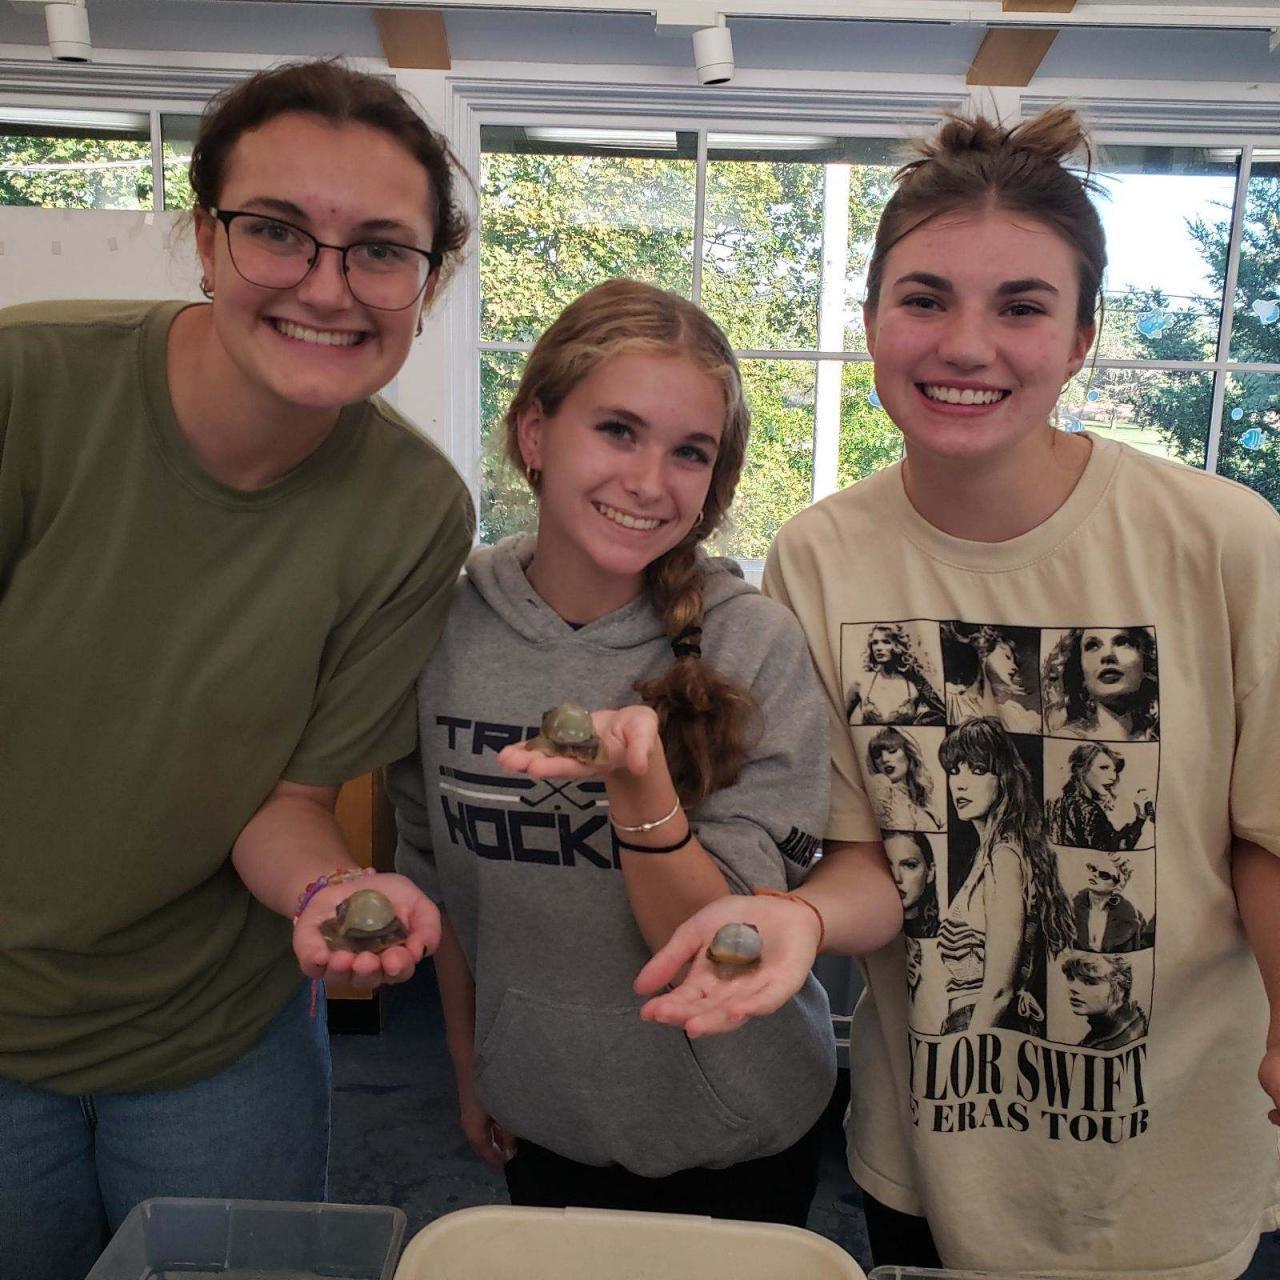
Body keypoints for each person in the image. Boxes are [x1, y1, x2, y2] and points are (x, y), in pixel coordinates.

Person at [635, 106, 1280, 1279]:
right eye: (924, 299)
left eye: (1020, 307)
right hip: (932, 1152)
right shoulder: (822, 553)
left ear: (1080, 339)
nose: (964, 344)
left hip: (1172, 1152)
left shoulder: (1222, 539)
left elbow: (1260, 834)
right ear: (872, 320)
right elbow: (872, 853)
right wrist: (802, 917)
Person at [0, 61, 475, 1280]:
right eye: (276, 230)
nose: (326, 284)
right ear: (206, 239)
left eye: (381, 250)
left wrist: (329, 893)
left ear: (427, 283)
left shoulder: (413, 510)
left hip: (216, 1031)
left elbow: (291, 801)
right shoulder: (28, 385)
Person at [388, 279, 836, 1226]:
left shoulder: (754, 645)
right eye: (618, 431)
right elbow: (446, 887)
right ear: (535, 433)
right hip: (541, 1111)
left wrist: (643, 791)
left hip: (737, 1123)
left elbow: (723, 946)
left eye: (689, 452)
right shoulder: (442, 629)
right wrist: (473, 1067)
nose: (648, 481)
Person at [936, 717, 1073, 1037]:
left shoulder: (1004, 856)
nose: (960, 784)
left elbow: (999, 990)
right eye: (954, 770)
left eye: (977, 770)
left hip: (980, 1028)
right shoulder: (989, 853)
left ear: (1004, 779)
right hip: (971, 1023)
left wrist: (967, 1050)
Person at [1043, 626, 1160, 741]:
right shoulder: (1063, 740)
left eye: (1123, 643)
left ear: (1146, 662)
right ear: (1080, 674)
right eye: (1092, 646)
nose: (1107, 655)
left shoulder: (1162, 734)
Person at [1047, 741, 1154, 851]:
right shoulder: (1090, 810)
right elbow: (1119, 847)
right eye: (1104, 768)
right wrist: (1140, 818)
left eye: (1114, 770)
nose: (1113, 777)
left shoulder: (1055, 802)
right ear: (1082, 770)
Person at [943, 622, 1040, 732]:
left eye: (1014, 662)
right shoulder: (952, 698)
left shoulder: (1014, 712)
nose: (1014, 667)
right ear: (985, 654)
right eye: (1007, 657)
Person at [847, 621, 945, 725]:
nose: (878, 648)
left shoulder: (916, 682)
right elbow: (839, 720)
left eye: (886, 642)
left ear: (898, 646)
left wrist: (919, 723)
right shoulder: (860, 683)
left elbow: (942, 714)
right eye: (875, 643)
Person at [1062, 952, 1148, 1050]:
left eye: (1089, 981)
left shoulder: (1122, 1039)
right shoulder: (1130, 1024)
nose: (1073, 988)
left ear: (1120, 987)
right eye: (1070, 977)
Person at [866, 726, 944, 831]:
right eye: (877, 755)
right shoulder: (881, 795)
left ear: (908, 754)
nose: (884, 759)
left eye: (892, 751)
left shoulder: (926, 804)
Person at [1070, 852, 1148, 953]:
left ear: (1118, 884)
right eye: (1093, 868)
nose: (1095, 875)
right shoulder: (1067, 907)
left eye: (1104, 875)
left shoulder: (1131, 917)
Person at [885, 830, 939, 939]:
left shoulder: (946, 934)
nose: (897, 878)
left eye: (909, 865)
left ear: (930, 872)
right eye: (887, 865)